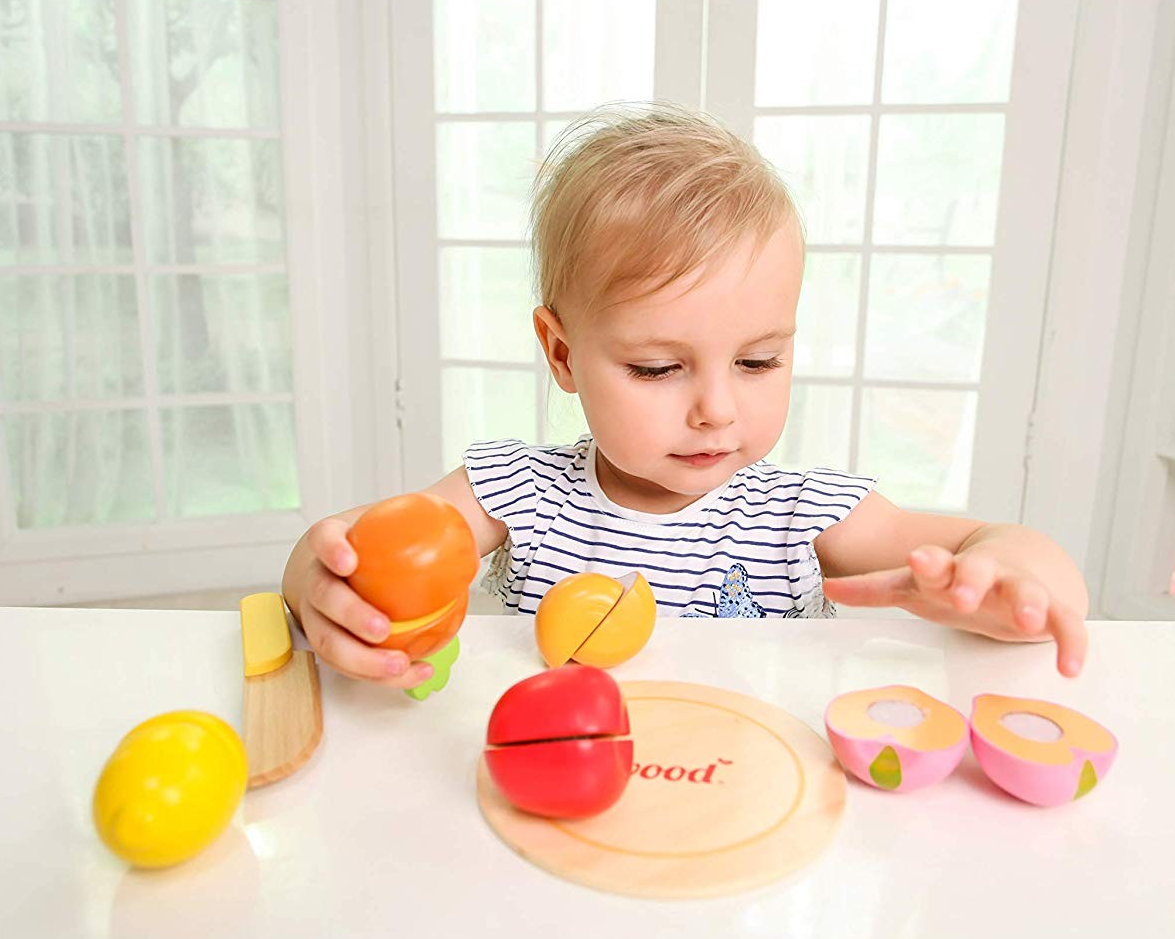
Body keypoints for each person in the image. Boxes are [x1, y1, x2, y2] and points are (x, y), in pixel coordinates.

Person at [282, 103, 1088, 690]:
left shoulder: (800, 514)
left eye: (759, 361)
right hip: (557, 800)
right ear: (563, 353)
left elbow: (997, 539)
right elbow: (364, 552)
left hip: (745, 800)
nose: (717, 410)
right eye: (659, 369)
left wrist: (1008, 584)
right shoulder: (516, 494)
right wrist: (320, 583)